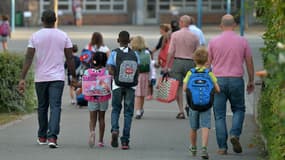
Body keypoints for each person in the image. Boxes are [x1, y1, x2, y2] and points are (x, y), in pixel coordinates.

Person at [17, 10, 76, 149]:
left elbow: (29, 58)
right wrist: (73, 76)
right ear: (55, 20)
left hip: (41, 78)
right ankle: (52, 138)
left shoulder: (35, 36)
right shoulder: (63, 35)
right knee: (55, 107)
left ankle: (42, 136)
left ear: (42, 20)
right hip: (57, 77)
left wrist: (22, 78)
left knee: (42, 107)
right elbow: (70, 58)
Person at [207, 14, 254, 155]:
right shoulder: (243, 41)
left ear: (221, 26)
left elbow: (208, 64)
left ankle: (222, 147)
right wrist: (251, 80)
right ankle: (235, 134)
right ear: (234, 25)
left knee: (219, 114)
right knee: (239, 109)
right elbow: (249, 63)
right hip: (236, 80)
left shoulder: (213, 42)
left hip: (218, 81)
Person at [183, 47, 220, 159]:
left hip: (193, 105)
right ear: (207, 60)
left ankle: (193, 147)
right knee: (205, 126)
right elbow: (218, 89)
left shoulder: (190, 73)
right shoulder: (209, 73)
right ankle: (204, 148)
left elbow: (184, 88)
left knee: (193, 127)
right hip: (206, 104)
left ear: (194, 59)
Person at [107, 30, 140, 150]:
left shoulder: (114, 53)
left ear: (118, 40)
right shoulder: (135, 54)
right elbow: (138, 68)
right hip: (131, 86)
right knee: (128, 113)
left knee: (116, 109)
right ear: (129, 41)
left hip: (117, 85)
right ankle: (125, 141)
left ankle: (115, 129)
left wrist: (115, 76)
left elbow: (110, 68)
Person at [164, 15, 200, 119]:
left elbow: (171, 51)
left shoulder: (175, 35)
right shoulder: (195, 36)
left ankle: (181, 111)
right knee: (190, 86)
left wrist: (166, 65)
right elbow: (198, 53)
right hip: (191, 62)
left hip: (178, 62)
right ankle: (188, 105)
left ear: (181, 22)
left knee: (178, 87)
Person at [80, 51, 111, 148]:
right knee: (101, 118)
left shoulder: (87, 72)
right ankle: (101, 141)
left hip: (92, 97)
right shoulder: (106, 72)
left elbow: (84, 84)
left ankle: (92, 131)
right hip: (103, 97)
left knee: (92, 118)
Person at [130, 36, 152, 119]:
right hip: (145, 75)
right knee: (141, 94)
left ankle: (138, 111)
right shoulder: (147, 52)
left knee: (138, 94)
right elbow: (150, 66)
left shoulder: (132, 52)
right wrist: (151, 77)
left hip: (136, 75)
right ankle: (140, 108)